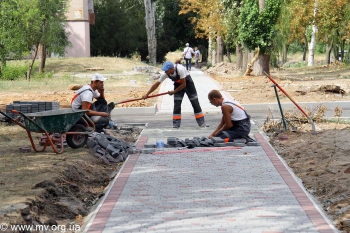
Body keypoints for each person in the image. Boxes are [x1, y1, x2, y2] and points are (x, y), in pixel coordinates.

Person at [142, 61, 205, 128]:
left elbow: (184, 84)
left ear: (172, 69)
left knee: (195, 102)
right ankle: (176, 125)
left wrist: (174, 92)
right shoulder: (165, 74)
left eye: (166, 70)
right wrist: (147, 94)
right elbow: (157, 84)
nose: (165, 72)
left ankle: (201, 123)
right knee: (177, 104)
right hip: (178, 85)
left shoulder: (180, 69)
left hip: (188, 83)